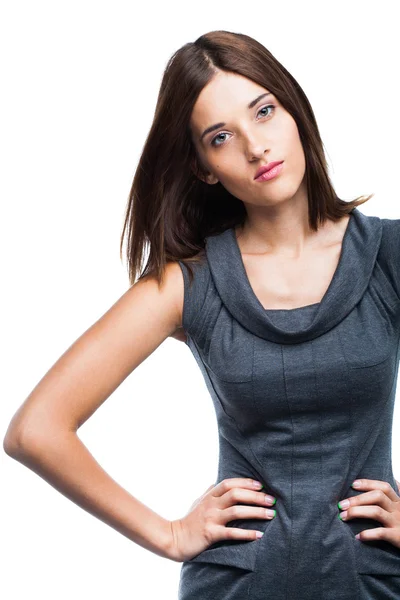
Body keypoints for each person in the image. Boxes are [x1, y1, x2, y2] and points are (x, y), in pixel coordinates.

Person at [3, 29, 400, 599]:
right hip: (235, 586)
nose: (256, 147)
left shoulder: (387, 256)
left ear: (296, 110)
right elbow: (34, 431)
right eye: (221, 137)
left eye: (264, 111)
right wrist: (168, 535)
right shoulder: (186, 285)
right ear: (204, 167)